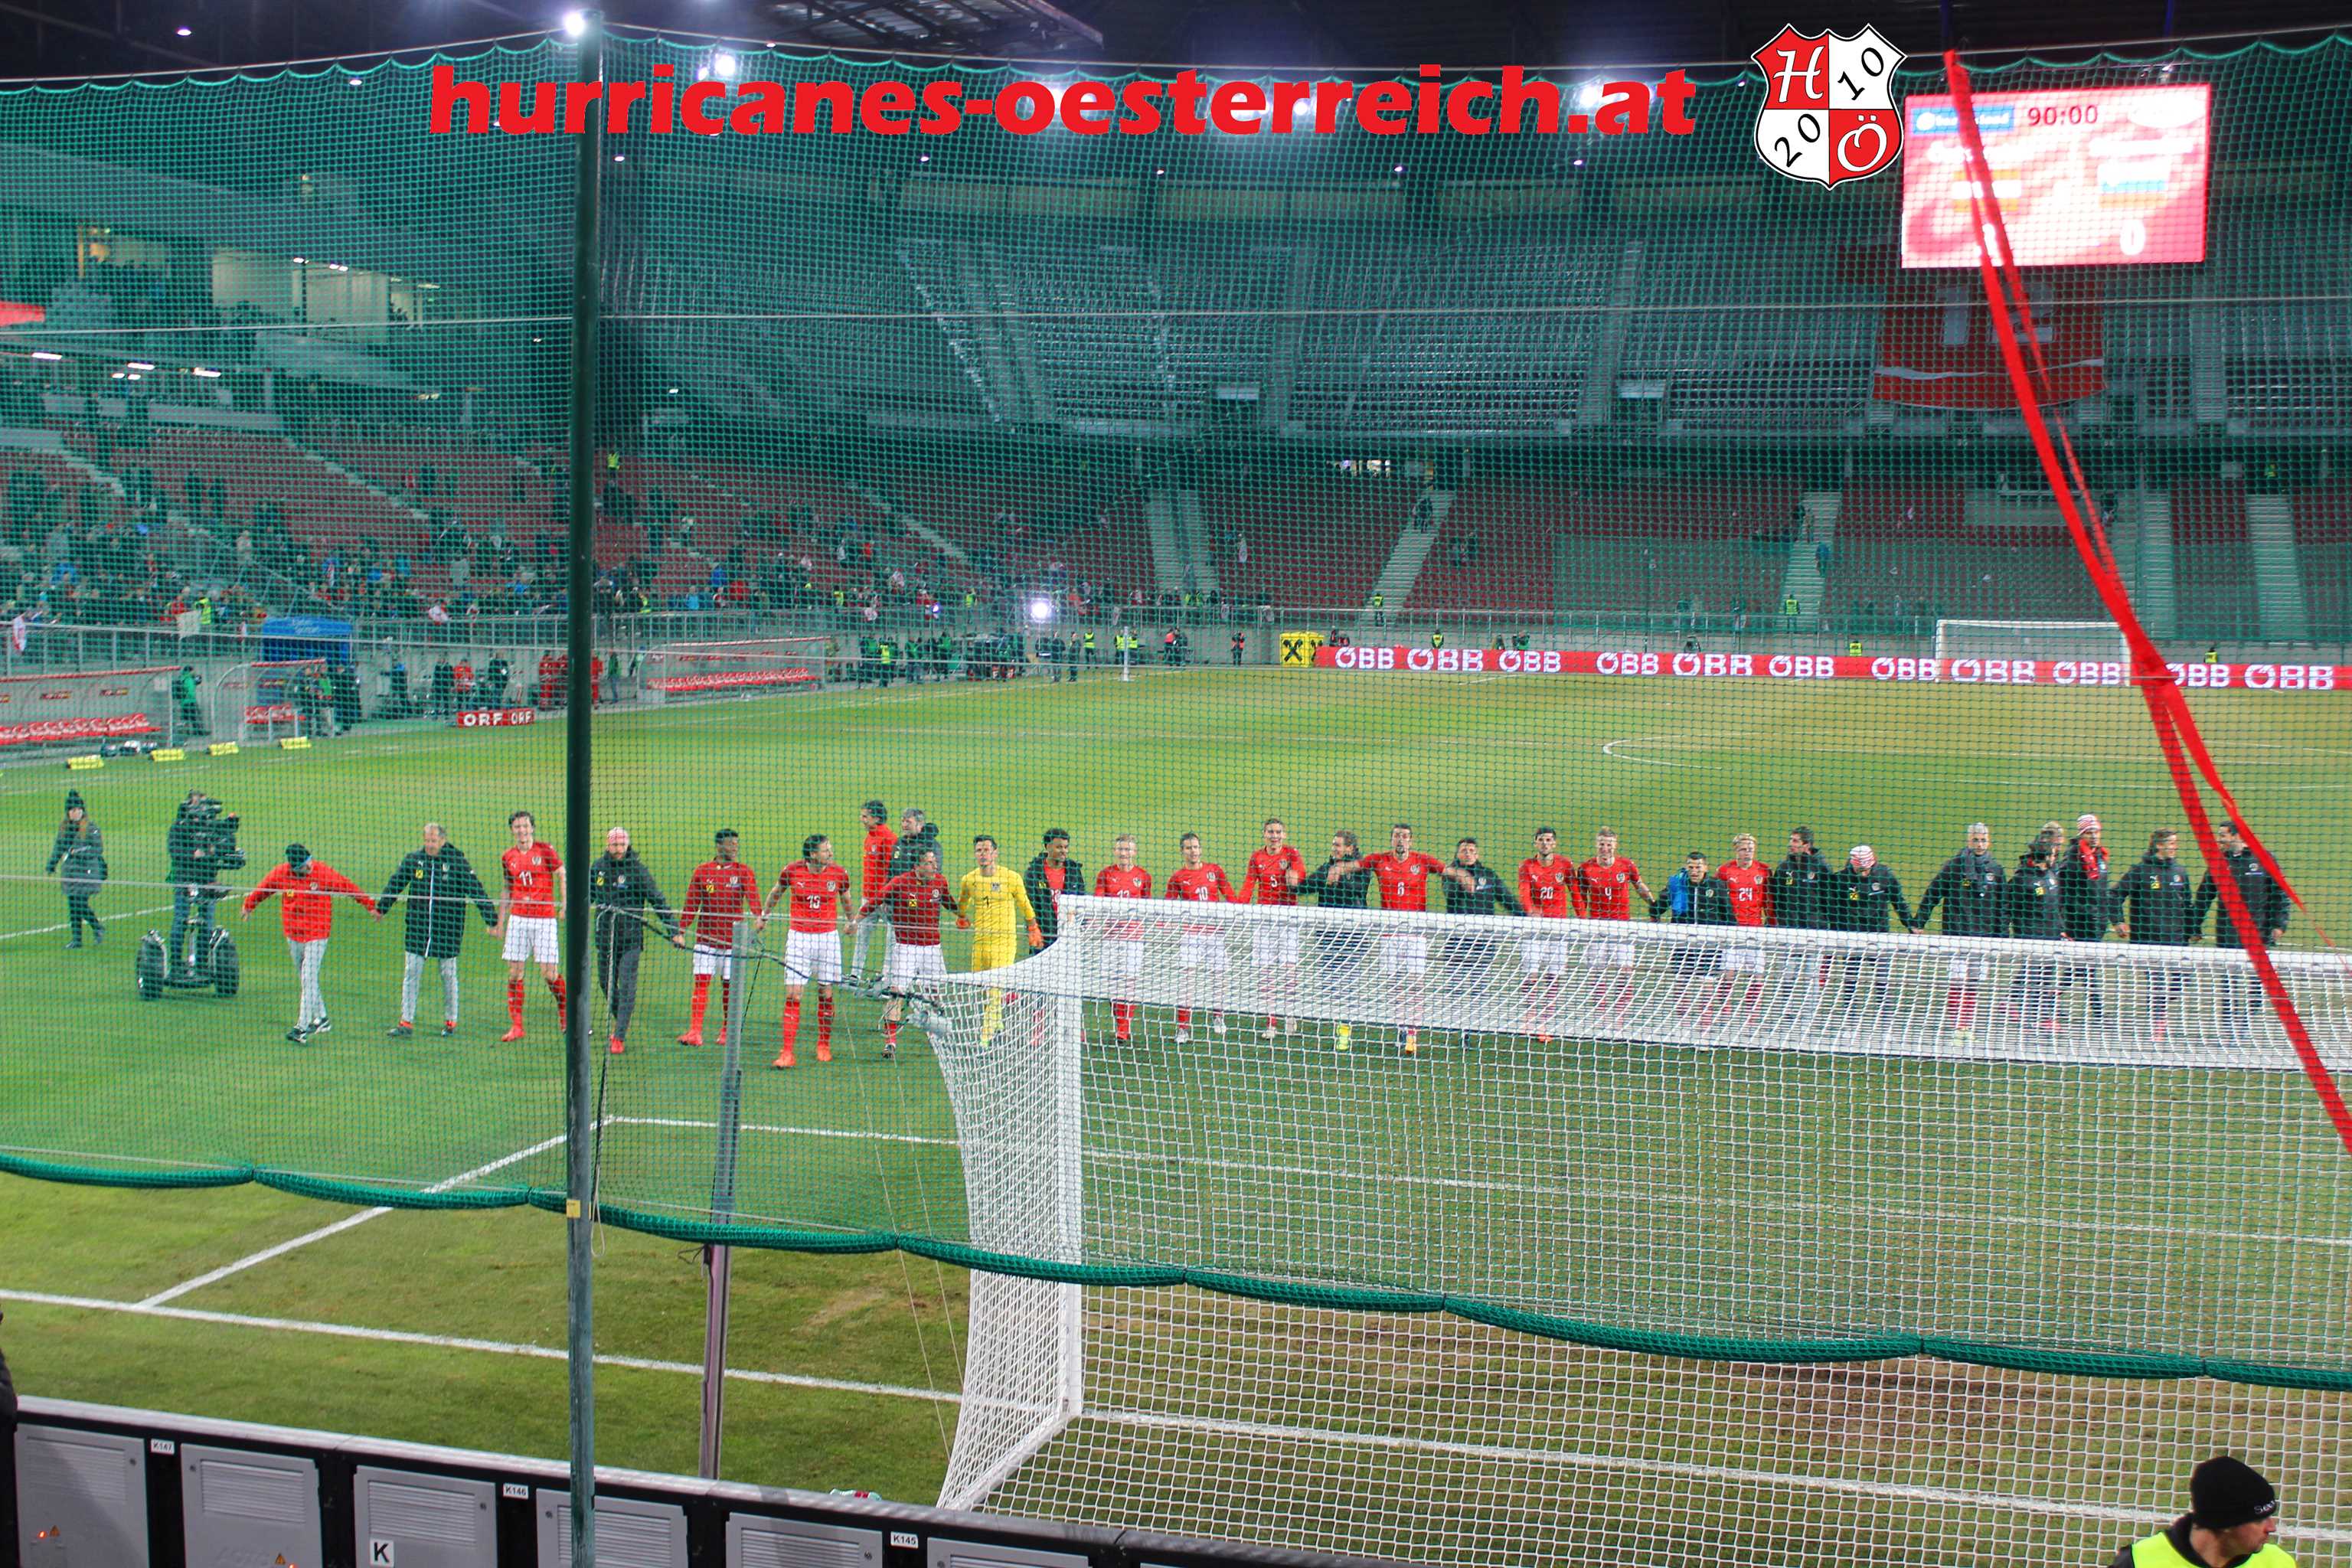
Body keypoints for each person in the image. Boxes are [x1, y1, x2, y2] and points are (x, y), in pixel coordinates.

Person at [242, 842, 379, 1044]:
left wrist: (370, 906)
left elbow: (347, 886)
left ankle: (301, 1028)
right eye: (303, 866)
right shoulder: (281, 873)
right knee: (306, 979)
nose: (308, 867)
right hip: (293, 934)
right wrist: (249, 906)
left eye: (309, 862)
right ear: (293, 867)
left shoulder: (323, 873)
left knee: (308, 978)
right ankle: (322, 1018)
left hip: (317, 934)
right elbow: (264, 889)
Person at [379, 822, 497, 1038]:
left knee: (448, 974)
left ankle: (451, 1021)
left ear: (443, 840)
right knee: (411, 973)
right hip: (418, 928)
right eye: (427, 840)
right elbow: (396, 882)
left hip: (448, 929)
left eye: (433, 841)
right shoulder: (415, 860)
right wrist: (381, 908)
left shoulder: (457, 862)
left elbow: (476, 889)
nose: (430, 845)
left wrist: (491, 919)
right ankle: (406, 1022)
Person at [590, 825, 683, 1056]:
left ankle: (619, 1035)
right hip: (605, 937)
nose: (619, 849)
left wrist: (674, 930)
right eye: (615, 845)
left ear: (628, 844)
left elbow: (657, 900)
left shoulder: (638, 871)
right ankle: (622, 1019)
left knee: (627, 985)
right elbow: (588, 895)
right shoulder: (598, 868)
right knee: (606, 984)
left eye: (622, 845)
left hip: (630, 939)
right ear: (607, 844)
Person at [2192, 823, 2291, 1035]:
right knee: (2229, 980)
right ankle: (2228, 1025)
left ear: (2237, 836)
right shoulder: (2219, 862)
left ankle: (2246, 1020)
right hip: (2227, 932)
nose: (2219, 840)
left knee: (2257, 979)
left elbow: (2280, 893)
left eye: (2223, 835)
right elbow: (2204, 897)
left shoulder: (2264, 858)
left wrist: (2279, 924)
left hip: (2259, 931)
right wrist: (2194, 925)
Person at [1358, 822, 1449, 1054]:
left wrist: (1465, 878)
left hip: (1416, 935)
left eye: (1405, 836)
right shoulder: (1380, 860)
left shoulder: (1422, 861)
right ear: (1392, 839)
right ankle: (1400, 1027)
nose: (1401, 840)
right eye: (1397, 836)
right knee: (1395, 985)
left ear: (1411, 840)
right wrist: (1337, 869)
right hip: (1390, 934)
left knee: (1416, 984)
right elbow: (1356, 865)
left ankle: (1412, 1033)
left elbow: (1447, 871)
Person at [2109, 1455, 2291, 1568]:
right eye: (2259, 1520)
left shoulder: (2278, 1563)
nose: (2271, 1527)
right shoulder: (2141, 1562)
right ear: (2225, 1523)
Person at [1914, 822, 2007, 1040]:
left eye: (1983, 840)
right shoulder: (1955, 867)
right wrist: (1919, 922)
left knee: (1974, 981)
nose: (1980, 844)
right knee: (1957, 980)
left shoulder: (1996, 869)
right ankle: (1957, 1024)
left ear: (1989, 842)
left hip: (1984, 936)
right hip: (1957, 933)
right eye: (1976, 840)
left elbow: (2003, 905)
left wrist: (2002, 935)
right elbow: (1933, 893)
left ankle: (1967, 1023)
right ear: (1968, 841)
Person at [864, 844, 954, 1060]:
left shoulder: (940, 882)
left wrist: (962, 914)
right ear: (917, 866)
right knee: (897, 992)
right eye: (930, 863)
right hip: (906, 948)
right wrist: (856, 920)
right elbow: (876, 900)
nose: (935, 866)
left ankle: (937, 1035)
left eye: (934, 862)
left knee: (935, 993)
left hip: (932, 948)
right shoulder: (900, 883)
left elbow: (949, 902)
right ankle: (890, 1043)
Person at [955, 833, 1043, 1046]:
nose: (983, 854)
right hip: (980, 942)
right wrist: (961, 917)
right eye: (979, 851)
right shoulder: (969, 880)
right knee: (983, 987)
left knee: (995, 988)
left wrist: (1033, 928)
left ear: (995, 853)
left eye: (986, 850)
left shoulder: (1011, 878)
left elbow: (1025, 905)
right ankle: (998, 1022)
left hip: (1004, 943)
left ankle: (985, 1038)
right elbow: (963, 902)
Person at [772, 833, 851, 1068]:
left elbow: (846, 898)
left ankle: (823, 1044)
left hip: (828, 939)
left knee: (825, 992)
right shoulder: (792, 871)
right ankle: (787, 1052)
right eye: (826, 850)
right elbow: (776, 892)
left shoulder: (839, 873)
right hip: (799, 938)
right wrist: (763, 915)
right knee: (793, 995)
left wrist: (852, 921)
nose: (831, 853)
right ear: (813, 854)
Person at [1298, 828, 1376, 1050]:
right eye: (1333, 845)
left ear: (1350, 848)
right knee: (1329, 984)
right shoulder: (1327, 867)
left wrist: (1338, 879)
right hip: (1328, 935)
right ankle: (1341, 1022)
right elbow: (1305, 887)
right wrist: (1293, 881)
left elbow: (1357, 890)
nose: (1334, 849)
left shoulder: (1361, 868)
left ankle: (1344, 1030)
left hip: (1353, 935)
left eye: (1338, 845)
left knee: (1348, 983)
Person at [2115, 828, 2197, 1038]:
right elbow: (2115, 895)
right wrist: (2118, 921)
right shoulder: (2140, 871)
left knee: (2184, 979)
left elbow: (2188, 905)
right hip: (2148, 940)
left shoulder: (2180, 872)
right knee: (2157, 982)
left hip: (2176, 939)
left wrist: (2193, 930)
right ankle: (2158, 1024)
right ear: (2159, 845)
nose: (2175, 847)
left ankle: (2158, 1006)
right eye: (2171, 843)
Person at [495, 810, 567, 1042]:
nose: (522, 831)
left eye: (525, 826)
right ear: (512, 830)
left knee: (549, 973)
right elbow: (507, 889)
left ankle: (565, 1012)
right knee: (515, 973)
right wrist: (500, 922)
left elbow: (562, 873)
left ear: (532, 828)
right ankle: (517, 1026)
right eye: (517, 827)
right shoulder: (508, 856)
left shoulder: (545, 850)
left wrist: (565, 904)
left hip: (544, 919)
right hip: (518, 919)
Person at [1828, 844, 1914, 1027]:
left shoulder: (1884, 875)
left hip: (1879, 936)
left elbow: (1898, 901)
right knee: (1850, 980)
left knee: (1882, 979)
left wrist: (1911, 925)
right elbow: (1832, 909)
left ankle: (1886, 1019)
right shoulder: (1840, 880)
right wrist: (1836, 934)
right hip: (1852, 938)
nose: (1864, 873)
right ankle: (1850, 1019)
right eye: (1860, 870)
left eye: (1866, 870)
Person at [1165, 831, 1238, 1043]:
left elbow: (1229, 894)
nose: (1193, 851)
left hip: (1215, 934)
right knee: (1187, 980)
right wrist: (1167, 924)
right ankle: (1183, 1028)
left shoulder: (1214, 871)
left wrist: (1240, 910)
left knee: (1219, 977)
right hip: (1191, 935)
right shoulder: (1178, 877)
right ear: (1182, 851)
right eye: (1188, 848)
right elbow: (1168, 905)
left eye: (1196, 847)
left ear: (1201, 849)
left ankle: (1218, 1016)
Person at [1576, 827, 1654, 1024]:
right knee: (1596, 971)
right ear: (1596, 844)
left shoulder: (1626, 865)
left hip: (1623, 927)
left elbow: (1640, 886)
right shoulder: (1585, 869)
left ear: (1615, 845)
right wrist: (1582, 919)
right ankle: (1600, 1013)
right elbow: (1581, 898)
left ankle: (1621, 1014)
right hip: (1597, 927)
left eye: (1609, 844)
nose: (1605, 848)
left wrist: (1654, 906)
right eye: (1601, 844)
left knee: (1625, 971)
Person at [1241, 817, 1308, 1039]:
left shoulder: (1292, 854)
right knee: (1266, 973)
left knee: (1289, 970)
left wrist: (1293, 877)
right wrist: (1237, 907)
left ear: (1284, 835)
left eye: (1278, 832)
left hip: (1288, 919)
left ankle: (1290, 1015)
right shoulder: (1256, 857)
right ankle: (1271, 1023)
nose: (1274, 836)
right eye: (1270, 832)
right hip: (1265, 921)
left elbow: (1300, 877)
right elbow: (1249, 885)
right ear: (1264, 834)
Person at [1517, 827, 1579, 1041]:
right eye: (1541, 840)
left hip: (1559, 928)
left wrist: (1582, 918)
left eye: (1549, 840)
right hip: (1535, 928)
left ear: (1554, 843)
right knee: (1531, 974)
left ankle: (1546, 1020)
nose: (1545, 843)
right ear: (1536, 843)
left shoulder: (1565, 865)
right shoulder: (1527, 866)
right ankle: (1529, 1016)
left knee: (1554, 976)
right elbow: (1524, 893)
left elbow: (1575, 893)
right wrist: (1530, 911)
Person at [1093, 834, 1154, 1044]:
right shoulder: (1105, 874)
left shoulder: (1143, 876)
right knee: (1111, 983)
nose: (1124, 853)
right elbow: (1099, 900)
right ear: (1115, 851)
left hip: (1133, 937)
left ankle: (1124, 1027)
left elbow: (1146, 903)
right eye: (1120, 849)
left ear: (1134, 852)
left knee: (1129, 982)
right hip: (1110, 936)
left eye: (1127, 849)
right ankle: (1120, 1022)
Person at [2004, 838, 2069, 1032]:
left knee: (2047, 979)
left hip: (2051, 937)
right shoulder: (2022, 880)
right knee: (2033, 979)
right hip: (2032, 938)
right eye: (2053, 855)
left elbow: (2055, 906)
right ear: (2046, 856)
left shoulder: (2050, 874)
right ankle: (2030, 1019)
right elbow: (2008, 908)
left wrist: (2061, 929)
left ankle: (2043, 1016)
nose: (2055, 858)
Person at [2059, 812, 2117, 1024]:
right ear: (2082, 834)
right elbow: (2063, 894)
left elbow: (2103, 892)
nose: (2094, 836)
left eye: (2096, 832)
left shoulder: (2099, 857)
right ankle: (2098, 1011)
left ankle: (2049, 1000)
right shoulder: (2073, 860)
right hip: (2080, 923)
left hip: (2096, 922)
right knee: (2087, 969)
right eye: (2089, 832)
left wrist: (2108, 917)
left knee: (2080, 968)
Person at [1711, 834, 1775, 1027]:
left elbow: (1768, 899)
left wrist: (1771, 922)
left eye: (1750, 849)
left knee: (1757, 975)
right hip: (1733, 930)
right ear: (1736, 850)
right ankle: (1725, 1011)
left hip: (1756, 930)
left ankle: (1752, 1015)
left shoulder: (1764, 871)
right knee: (1728, 974)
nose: (1747, 853)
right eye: (1743, 849)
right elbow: (1715, 898)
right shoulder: (1724, 871)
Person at [165, 789, 230, 979]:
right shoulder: (179, 827)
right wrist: (193, 854)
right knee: (181, 919)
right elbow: (174, 850)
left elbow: (226, 846)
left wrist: (217, 849)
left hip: (207, 879)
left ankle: (202, 962)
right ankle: (176, 963)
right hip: (185, 879)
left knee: (207, 921)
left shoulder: (211, 827)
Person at [45, 789, 106, 949]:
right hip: (70, 872)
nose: (76, 813)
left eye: (79, 810)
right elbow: (59, 848)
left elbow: (97, 849)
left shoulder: (91, 828)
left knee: (79, 904)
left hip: (87, 872)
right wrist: (52, 864)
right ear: (68, 812)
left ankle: (97, 927)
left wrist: (78, 852)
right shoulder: (64, 829)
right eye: (73, 810)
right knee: (73, 905)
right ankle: (78, 939)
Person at [848, 799, 897, 980]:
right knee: (862, 936)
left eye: (865, 817)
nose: (862, 820)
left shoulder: (889, 838)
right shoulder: (869, 837)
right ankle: (855, 974)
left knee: (892, 939)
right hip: (868, 898)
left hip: (884, 900)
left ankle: (887, 976)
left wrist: (887, 897)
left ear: (876, 818)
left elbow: (892, 870)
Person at [1024, 828, 1086, 949]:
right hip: (1044, 935)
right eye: (1059, 847)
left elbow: (1081, 901)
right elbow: (1030, 905)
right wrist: (1033, 930)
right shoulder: (1034, 873)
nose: (1064, 851)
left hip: (1069, 935)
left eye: (1066, 847)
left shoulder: (1074, 872)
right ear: (1048, 847)